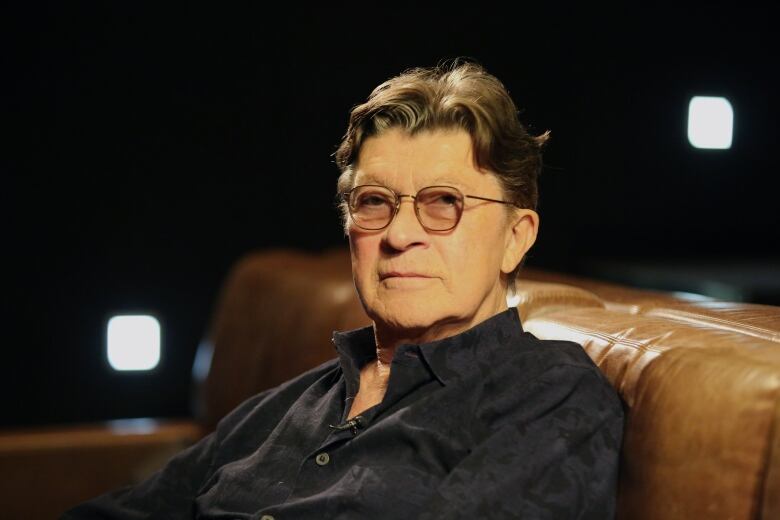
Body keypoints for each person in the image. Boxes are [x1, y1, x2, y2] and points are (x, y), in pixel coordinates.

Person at [63, 59, 624, 519]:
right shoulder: (287, 406)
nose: (400, 234)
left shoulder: (550, 396)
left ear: (515, 238)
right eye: (375, 202)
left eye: (443, 203)